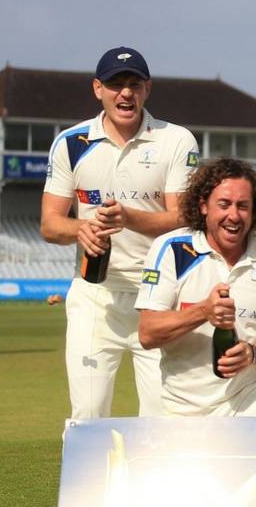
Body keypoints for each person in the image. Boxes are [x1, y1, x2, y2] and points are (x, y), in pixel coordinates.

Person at [41, 47, 200, 419]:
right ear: (98, 88)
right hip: (97, 296)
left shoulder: (176, 140)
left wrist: (129, 218)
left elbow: (185, 218)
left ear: (147, 89)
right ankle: (88, 480)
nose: (125, 93)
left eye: (134, 84)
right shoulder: (71, 142)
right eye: (115, 84)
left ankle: (157, 480)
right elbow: (50, 223)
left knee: (164, 418)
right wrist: (84, 228)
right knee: (88, 414)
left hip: (161, 295)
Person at [136, 159, 256, 417]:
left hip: (252, 396)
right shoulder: (171, 249)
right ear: (203, 206)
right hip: (183, 407)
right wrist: (203, 312)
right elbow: (147, 333)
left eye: (243, 206)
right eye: (224, 204)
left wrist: (253, 353)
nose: (233, 216)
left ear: (254, 210)